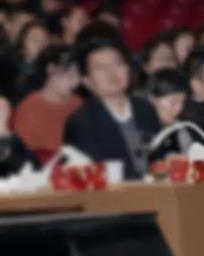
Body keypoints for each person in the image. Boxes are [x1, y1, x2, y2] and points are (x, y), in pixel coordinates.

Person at [64, 38, 160, 179]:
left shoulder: (145, 109)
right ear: (87, 81)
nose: (111, 72)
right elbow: (89, 176)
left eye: (117, 63)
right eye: (100, 68)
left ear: (128, 69)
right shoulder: (80, 123)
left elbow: (158, 160)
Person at [13, 45, 82, 159]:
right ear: (51, 69)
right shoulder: (29, 109)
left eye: (78, 75)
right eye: (69, 74)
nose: (75, 82)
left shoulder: (79, 103)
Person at [146, 69, 195, 161]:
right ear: (152, 99)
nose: (179, 108)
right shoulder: (138, 130)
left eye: (182, 102)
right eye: (173, 102)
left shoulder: (180, 131)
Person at [0, 96, 39, 177]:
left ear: (9, 112)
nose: (1, 111)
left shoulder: (21, 142)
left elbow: (36, 168)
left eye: (3, 108)